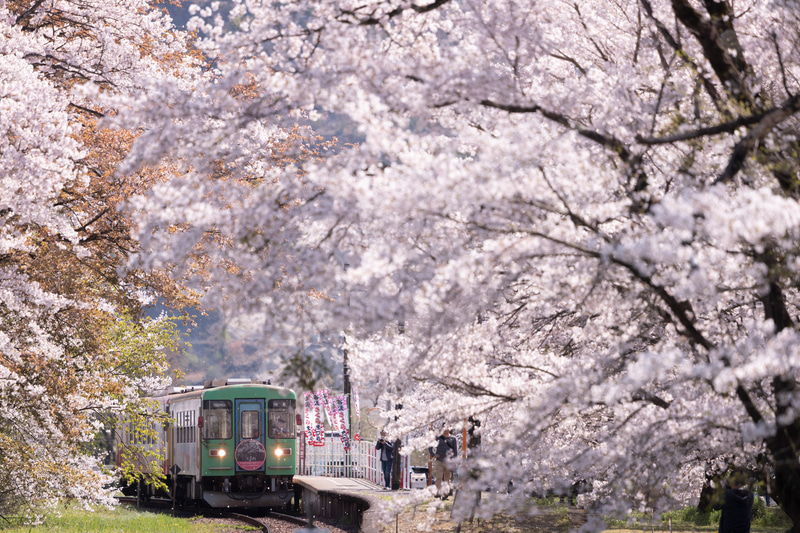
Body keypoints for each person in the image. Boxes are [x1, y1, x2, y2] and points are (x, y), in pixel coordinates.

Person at [429, 428, 458, 498]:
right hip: (439, 460)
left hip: (449, 461)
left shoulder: (453, 438)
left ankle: (445, 494)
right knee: (439, 477)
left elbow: (455, 450)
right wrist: (433, 454)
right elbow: (430, 446)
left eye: (447, 428)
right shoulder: (438, 438)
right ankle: (438, 492)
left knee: (447, 479)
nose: (446, 430)